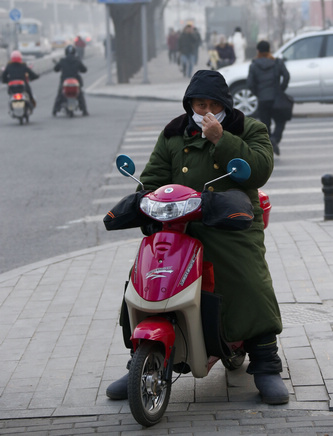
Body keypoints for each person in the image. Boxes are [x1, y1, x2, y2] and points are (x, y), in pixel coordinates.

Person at [106, 69, 289, 406]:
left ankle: (266, 363)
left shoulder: (248, 129)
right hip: (180, 224)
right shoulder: (175, 132)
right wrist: (146, 202)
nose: (205, 111)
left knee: (248, 279)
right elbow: (153, 176)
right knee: (144, 277)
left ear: (224, 106)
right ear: (189, 104)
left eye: (212, 105)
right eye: (199, 103)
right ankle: (140, 359)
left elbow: (260, 168)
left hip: (232, 222)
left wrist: (222, 138)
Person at [247, 40, 290, 156]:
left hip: (263, 99)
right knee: (281, 120)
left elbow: (250, 84)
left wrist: (258, 93)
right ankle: (275, 138)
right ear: (269, 49)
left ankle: (270, 141)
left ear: (258, 51)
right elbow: (286, 76)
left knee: (265, 125)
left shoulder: (254, 65)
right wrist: (281, 89)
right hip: (276, 99)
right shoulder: (277, 63)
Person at [52, 45, 89, 116]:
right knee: (80, 95)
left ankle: (55, 110)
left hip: (65, 81)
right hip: (75, 82)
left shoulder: (62, 60)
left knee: (60, 94)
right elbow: (84, 70)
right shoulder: (77, 60)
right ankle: (84, 110)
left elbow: (56, 69)